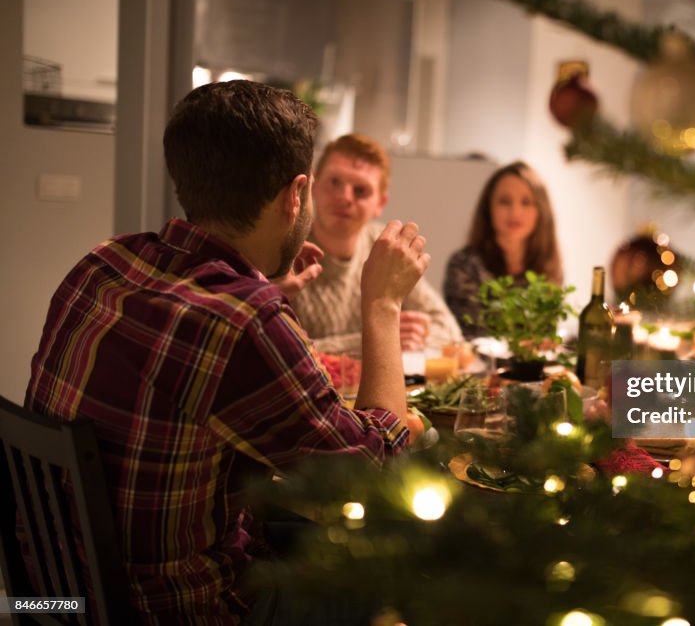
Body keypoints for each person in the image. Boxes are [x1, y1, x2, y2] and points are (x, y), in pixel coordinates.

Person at [24, 80, 427, 624]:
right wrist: (382, 303)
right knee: (398, 564)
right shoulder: (244, 321)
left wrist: (261, 289)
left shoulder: (103, 263)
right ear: (297, 194)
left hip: (59, 593)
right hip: (178, 610)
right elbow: (376, 473)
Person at [288, 134, 462, 353]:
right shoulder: (286, 249)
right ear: (314, 186)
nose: (344, 197)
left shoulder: (386, 245)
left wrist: (418, 335)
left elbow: (450, 331)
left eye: (360, 190)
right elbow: (282, 351)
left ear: (380, 204)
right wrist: (379, 337)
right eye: (334, 182)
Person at [444, 161, 563, 338]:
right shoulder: (464, 265)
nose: (515, 212)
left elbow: (545, 339)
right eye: (504, 201)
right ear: (488, 209)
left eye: (526, 202)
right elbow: (470, 337)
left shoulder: (548, 265)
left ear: (541, 211)